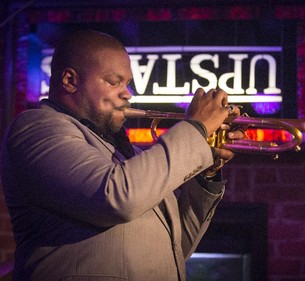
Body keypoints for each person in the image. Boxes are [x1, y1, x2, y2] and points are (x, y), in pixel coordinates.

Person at [0, 30, 244, 281]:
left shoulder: (131, 158)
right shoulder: (35, 128)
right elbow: (116, 197)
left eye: (127, 83)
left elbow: (174, 248)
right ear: (70, 80)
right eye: (114, 81)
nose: (127, 94)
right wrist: (195, 129)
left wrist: (206, 175)